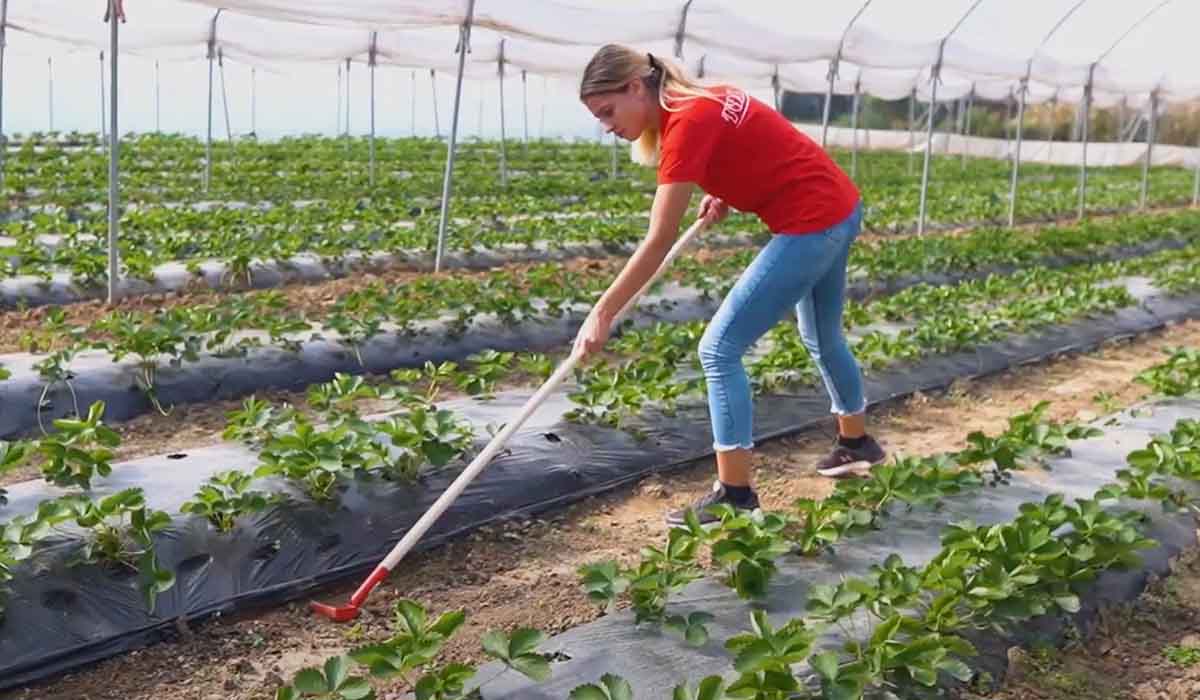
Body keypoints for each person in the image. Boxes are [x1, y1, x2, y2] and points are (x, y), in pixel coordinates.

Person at [572, 44, 886, 526]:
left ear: (635, 87)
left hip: (814, 222)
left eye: (608, 111)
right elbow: (757, 145)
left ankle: (735, 495)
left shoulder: (686, 123)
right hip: (839, 206)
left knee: (718, 350)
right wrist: (722, 190)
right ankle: (856, 444)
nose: (608, 126)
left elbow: (658, 241)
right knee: (822, 337)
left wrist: (603, 311)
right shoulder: (705, 98)